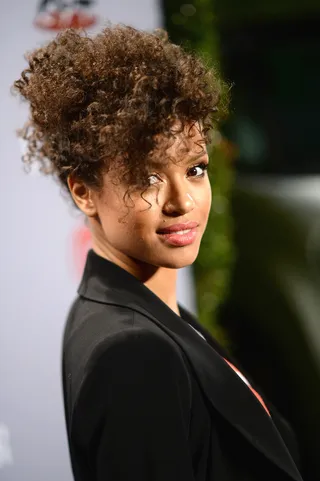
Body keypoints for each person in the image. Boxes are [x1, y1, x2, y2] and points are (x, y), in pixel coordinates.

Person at [13, 24, 303, 481]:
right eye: (146, 177)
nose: (182, 201)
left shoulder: (146, 313)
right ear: (84, 191)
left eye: (194, 168)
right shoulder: (132, 353)